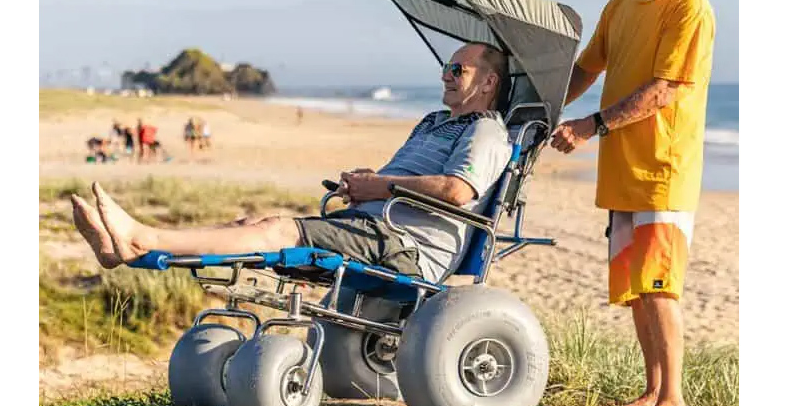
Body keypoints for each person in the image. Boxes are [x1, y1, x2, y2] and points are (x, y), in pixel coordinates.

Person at [72, 42, 512, 285]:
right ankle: (129, 252)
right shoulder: (434, 121)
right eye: (446, 68)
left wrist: (379, 188)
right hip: (375, 227)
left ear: (489, 82)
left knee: (279, 232)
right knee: (255, 223)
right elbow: (401, 181)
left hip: (406, 246)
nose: (445, 75)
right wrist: (365, 184)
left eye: (459, 70)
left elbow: (457, 192)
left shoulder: (488, 130)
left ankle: (141, 238)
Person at [549, 0, 715, 406]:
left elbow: (662, 91)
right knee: (637, 287)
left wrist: (590, 127)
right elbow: (587, 68)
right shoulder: (619, 6)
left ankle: (676, 401)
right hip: (622, 171)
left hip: (663, 169)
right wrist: (545, 107)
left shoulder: (688, 6)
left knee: (661, 285)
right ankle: (652, 393)